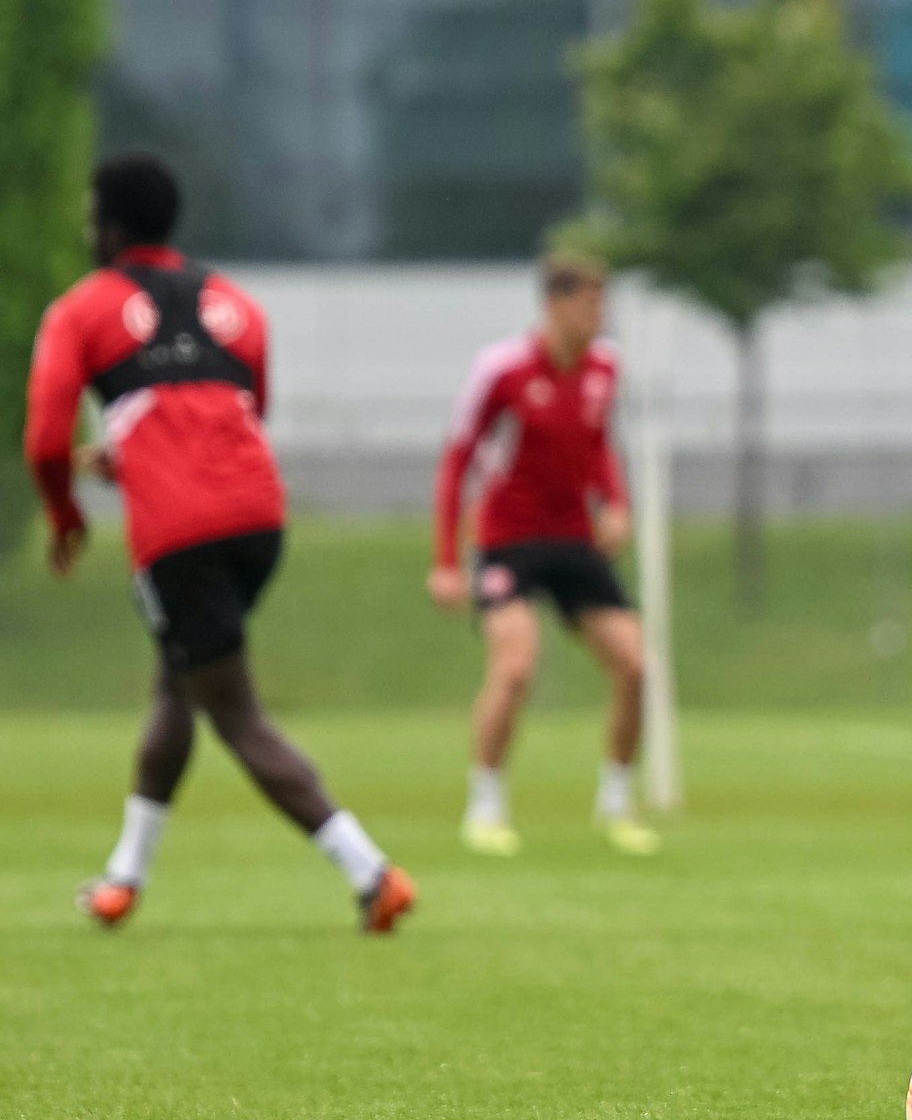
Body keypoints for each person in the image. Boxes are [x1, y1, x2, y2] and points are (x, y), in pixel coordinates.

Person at [27, 154, 418, 933]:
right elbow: (238, 414)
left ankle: (372, 874)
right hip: (259, 519)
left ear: (109, 227)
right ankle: (125, 878)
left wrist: (67, 516)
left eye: (91, 216)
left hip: (180, 535)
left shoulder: (82, 309)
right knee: (178, 682)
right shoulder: (237, 303)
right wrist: (139, 456)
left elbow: (44, 441)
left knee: (236, 714)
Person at [428, 256, 655, 857]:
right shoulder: (501, 369)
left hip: (575, 540)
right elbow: (458, 458)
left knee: (636, 666)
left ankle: (617, 803)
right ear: (554, 306)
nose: (598, 315)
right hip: (508, 540)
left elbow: (599, 444)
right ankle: (485, 804)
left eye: (602, 304)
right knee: (516, 666)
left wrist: (616, 504)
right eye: (588, 303)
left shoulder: (606, 368)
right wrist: (447, 560)